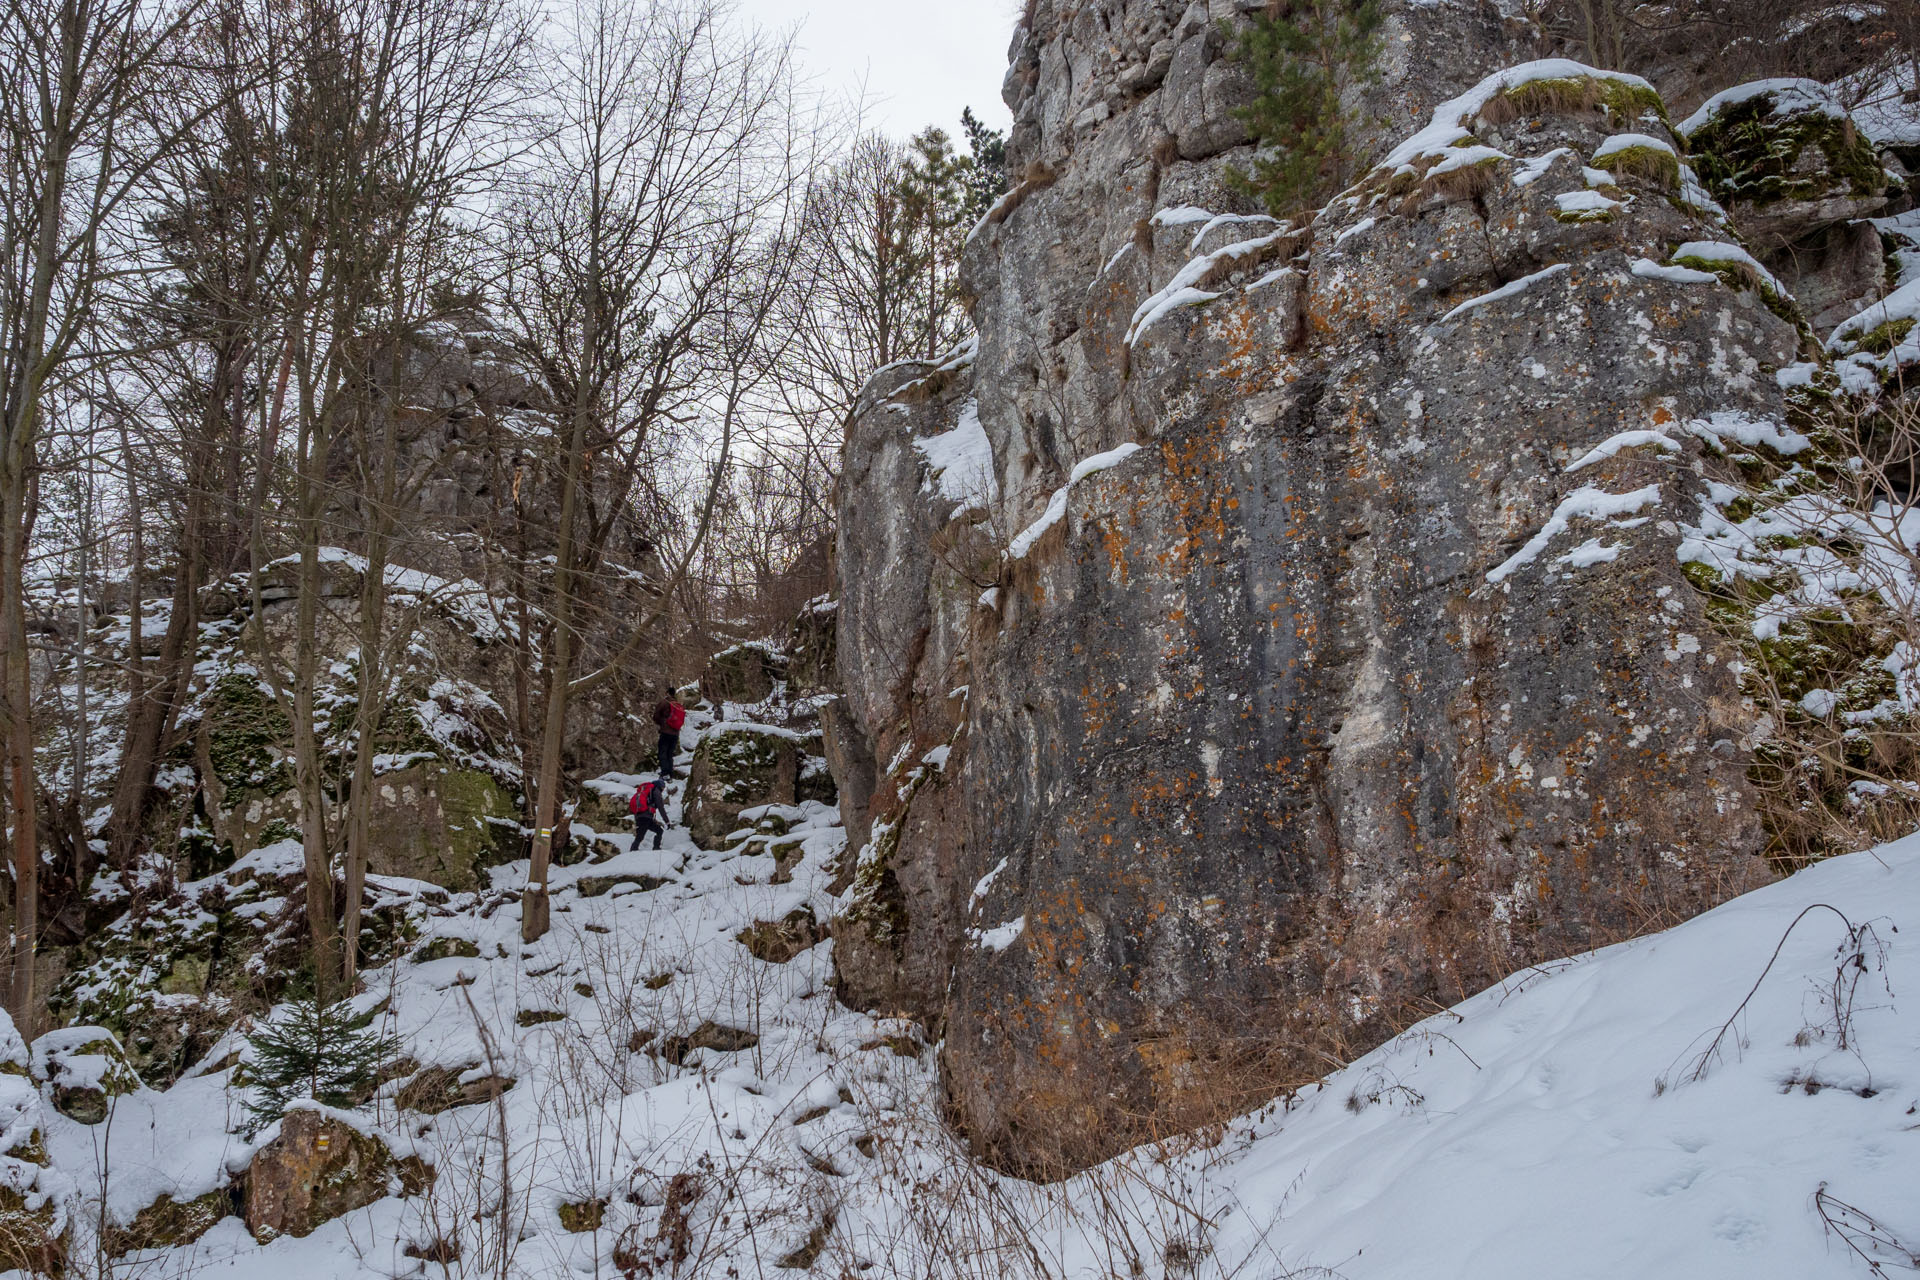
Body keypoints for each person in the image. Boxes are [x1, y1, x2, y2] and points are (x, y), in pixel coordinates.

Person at [651, 685, 686, 779]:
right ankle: (670, 772)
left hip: (666, 732)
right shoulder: (678, 704)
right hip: (675, 733)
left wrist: (661, 723)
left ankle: (665, 773)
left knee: (662, 752)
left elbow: (656, 716)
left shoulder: (664, 702)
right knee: (670, 753)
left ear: (667, 693)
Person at [630, 778, 670, 850]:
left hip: (641, 816)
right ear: (659, 786)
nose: (663, 789)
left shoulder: (648, 791)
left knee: (659, 831)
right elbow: (661, 807)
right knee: (640, 835)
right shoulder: (656, 791)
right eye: (663, 787)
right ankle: (633, 850)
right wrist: (667, 821)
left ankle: (656, 847)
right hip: (645, 817)